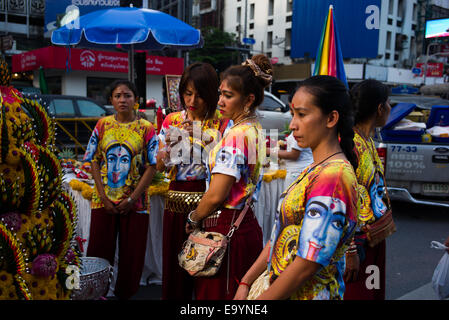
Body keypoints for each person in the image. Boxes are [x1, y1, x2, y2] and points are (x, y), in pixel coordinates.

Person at [234, 75, 359, 300]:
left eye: (302, 115)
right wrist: (246, 281)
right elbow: (279, 234)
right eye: (293, 115)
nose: (292, 125)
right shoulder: (315, 169)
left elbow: (306, 264)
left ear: (331, 118)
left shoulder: (334, 178)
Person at [184, 55, 271, 300]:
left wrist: (194, 217)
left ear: (249, 99)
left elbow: (216, 194)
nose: (220, 100)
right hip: (245, 224)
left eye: (228, 95)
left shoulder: (237, 135)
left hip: (225, 228)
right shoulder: (253, 128)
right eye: (220, 93)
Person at [156, 62, 228, 300]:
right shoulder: (172, 121)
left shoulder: (223, 123)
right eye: (187, 93)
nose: (193, 100)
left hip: (210, 200)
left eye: (199, 94)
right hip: (176, 199)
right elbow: (158, 165)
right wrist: (169, 149)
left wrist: (199, 137)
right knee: (176, 266)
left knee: (207, 266)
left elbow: (224, 162)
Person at [83, 80, 159, 300]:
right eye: (118, 96)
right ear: (111, 101)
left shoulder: (146, 128)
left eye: (127, 95)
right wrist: (103, 195)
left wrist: (133, 198)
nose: (123, 100)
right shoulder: (102, 125)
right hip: (103, 200)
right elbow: (94, 160)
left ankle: (126, 294)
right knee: (99, 251)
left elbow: (152, 165)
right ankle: (98, 294)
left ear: (136, 100)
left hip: (136, 203)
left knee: (131, 255)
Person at [344, 79, 392, 300]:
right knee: (358, 294)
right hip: (358, 243)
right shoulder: (350, 144)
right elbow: (344, 198)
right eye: (388, 103)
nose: (390, 108)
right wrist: (350, 249)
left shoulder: (369, 141)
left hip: (375, 237)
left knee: (372, 291)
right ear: (380, 108)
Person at [267, 90, 314, 188]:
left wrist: (270, 151)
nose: (291, 126)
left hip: (297, 173)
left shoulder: (301, 129)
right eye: (292, 115)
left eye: (300, 114)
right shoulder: (299, 128)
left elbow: (294, 155)